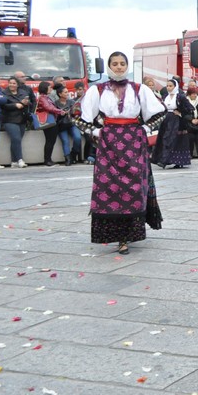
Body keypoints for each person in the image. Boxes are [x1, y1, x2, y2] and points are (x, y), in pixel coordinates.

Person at [77, 52, 166, 255]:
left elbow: (160, 113)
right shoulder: (97, 90)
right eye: (114, 64)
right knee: (109, 186)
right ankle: (115, 235)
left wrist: (144, 129)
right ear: (109, 66)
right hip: (108, 144)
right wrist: (96, 131)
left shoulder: (139, 89)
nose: (118, 67)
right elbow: (79, 118)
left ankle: (126, 236)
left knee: (134, 187)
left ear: (127, 66)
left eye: (122, 63)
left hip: (133, 143)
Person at [1, 76, 31, 168]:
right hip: (9, 120)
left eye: (14, 83)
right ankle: (20, 160)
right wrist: (16, 105)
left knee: (16, 140)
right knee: (16, 139)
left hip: (22, 119)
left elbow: (28, 103)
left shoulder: (23, 92)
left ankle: (14, 161)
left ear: (17, 85)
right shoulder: (4, 93)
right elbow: (4, 105)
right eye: (10, 83)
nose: (12, 85)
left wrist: (26, 103)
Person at [34, 81, 64, 166]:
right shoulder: (43, 98)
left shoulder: (45, 97)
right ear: (45, 88)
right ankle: (47, 160)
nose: (51, 88)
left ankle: (48, 159)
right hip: (48, 121)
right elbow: (48, 107)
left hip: (50, 120)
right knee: (50, 141)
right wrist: (59, 111)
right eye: (49, 87)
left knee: (50, 141)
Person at [56, 86, 82, 165]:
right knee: (65, 141)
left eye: (67, 92)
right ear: (60, 94)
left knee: (78, 138)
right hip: (61, 125)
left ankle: (73, 154)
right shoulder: (55, 103)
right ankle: (67, 158)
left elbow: (78, 112)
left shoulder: (71, 102)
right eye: (65, 92)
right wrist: (61, 113)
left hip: (71, 123)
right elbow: (54, 114)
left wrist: (72, 111)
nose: (68, 94)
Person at [184, 86, 198, 159]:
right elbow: (184, 113)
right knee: (190, 138)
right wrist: (191, 119)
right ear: (189, 94)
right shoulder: (185, 101)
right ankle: (190, 154)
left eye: (196, 94)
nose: (195, 95)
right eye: (193, 94)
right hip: (189, 123)